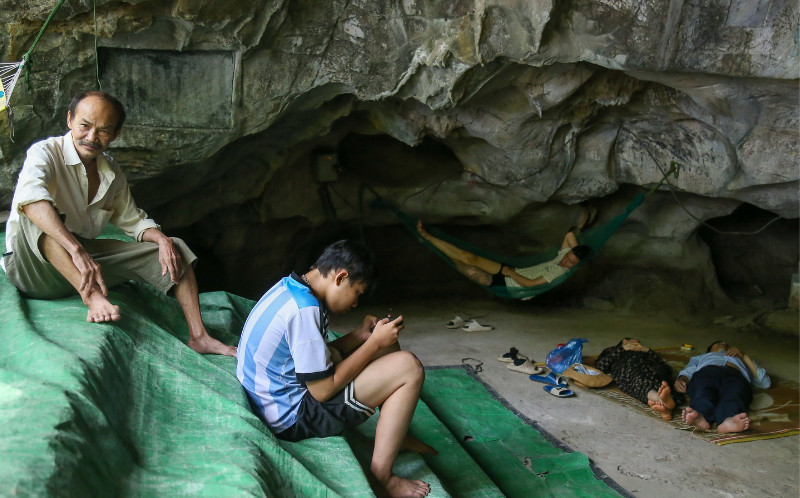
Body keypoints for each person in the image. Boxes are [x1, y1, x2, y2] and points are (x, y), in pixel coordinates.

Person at [1, 91, 235, 356]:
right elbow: (31, 200)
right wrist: (76, 251)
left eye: (103, 131)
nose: (91, 137)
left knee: (175, 247)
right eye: (85, 126)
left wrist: (161, 240)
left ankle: (199, 337)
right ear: (69, 120)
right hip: (32, 271)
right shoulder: (45, 152)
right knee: (40, 214)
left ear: (115, 134)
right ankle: (93, 299)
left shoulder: (109, 171)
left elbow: (133, 220)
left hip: (84, 269)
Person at [236, 240, 434, 498]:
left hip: (274, 397)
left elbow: (312, 358)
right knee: (409, 367)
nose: (355, 304)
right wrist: (373, 344)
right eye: (358, 294)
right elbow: (321, 390)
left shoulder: (291, 288)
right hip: (291, 415)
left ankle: (397, 434)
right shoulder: (305, 310)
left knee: (387, 346)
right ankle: (382, 478)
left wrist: (359, 336)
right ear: (341, 277)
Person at [416, 220, 591, 291]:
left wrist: (511, 274)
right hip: (510, 270)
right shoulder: (564, 257)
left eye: (570, 263)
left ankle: (435, 247)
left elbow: (530, 285)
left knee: (468, 270)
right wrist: (577, 256)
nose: (566, 260)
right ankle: (426, 236)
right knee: (470, 257)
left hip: (509, 284)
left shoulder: (559, 273)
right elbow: (569, 235)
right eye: (568, 257)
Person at [674, 340, 770, 433]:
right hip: (707, 372)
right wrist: (682, 380)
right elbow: (688, 371)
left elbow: (765, 383)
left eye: (726, 344)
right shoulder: (701, 357)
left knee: (734, 394)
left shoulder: (741, 358)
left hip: (735, 376)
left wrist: (744, 356)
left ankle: (728, 420)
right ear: (710, 350)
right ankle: (700, 416)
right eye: (719, 343)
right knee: (703, 391)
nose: (724, 344)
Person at [595, 338, 684, 420]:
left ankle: (665, 406)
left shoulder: (644, 352)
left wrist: (648, 351)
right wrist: (623, 348)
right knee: (638, 381)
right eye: (633, 342)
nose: (636, 344)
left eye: (638, 343)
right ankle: (663, 402)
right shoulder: (612, 351)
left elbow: (661, 363)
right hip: (626, 369)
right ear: (624, 341)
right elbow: (600, 366)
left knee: (663, 383)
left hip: (649, 369)